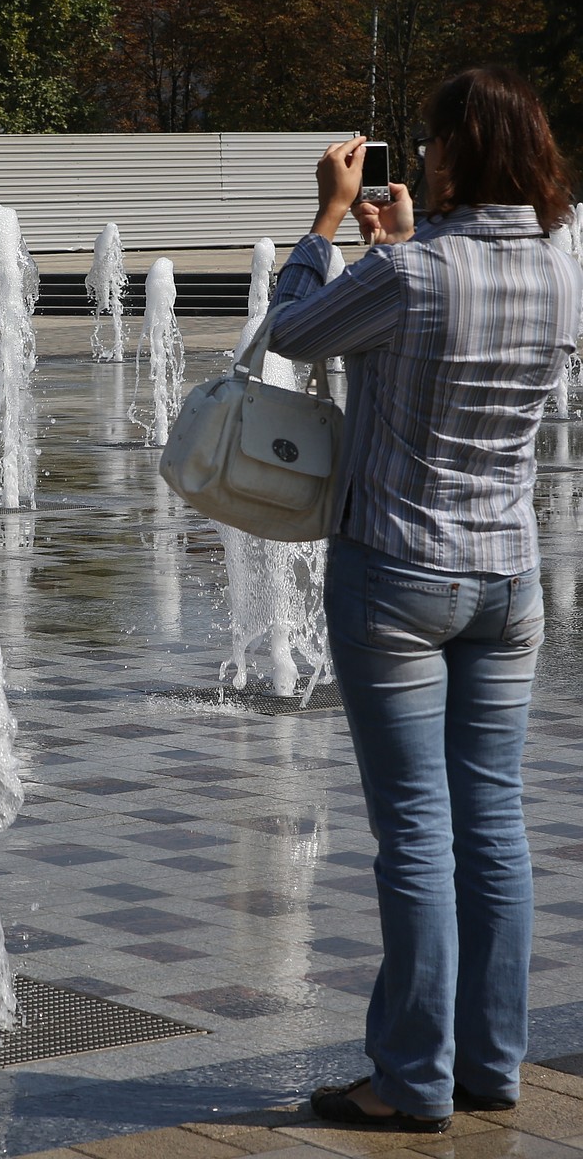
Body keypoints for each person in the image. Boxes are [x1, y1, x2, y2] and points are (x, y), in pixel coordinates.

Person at [267, 68, 582, 1132]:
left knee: (415, 835)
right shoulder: (558, 264)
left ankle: (411, 1083)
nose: (423, 156)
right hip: (509, 578)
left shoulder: (414, 275)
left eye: (433, 141)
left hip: (398, 571)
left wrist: (323, 221)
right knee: (494, 825)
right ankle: (490, 1066)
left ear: (460, 152)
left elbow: (294, 333)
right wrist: (404, 240)